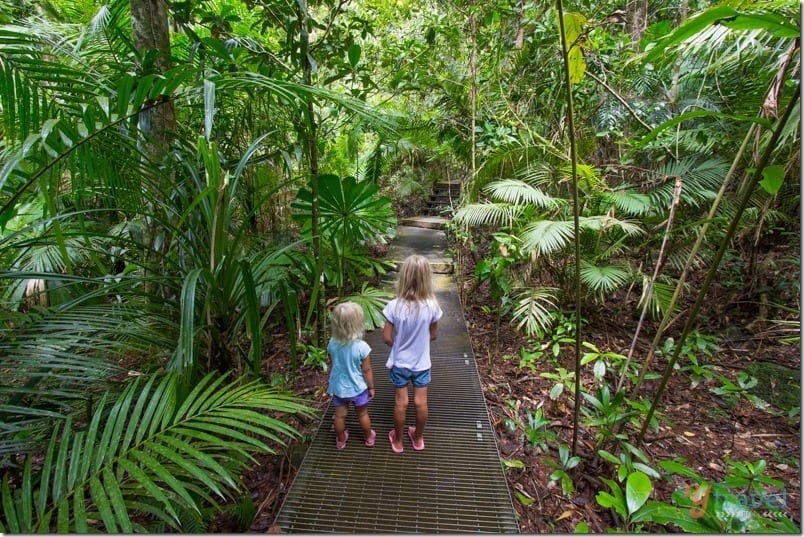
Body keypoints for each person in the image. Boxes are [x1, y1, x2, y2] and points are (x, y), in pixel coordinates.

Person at [382, 254, 443, 453]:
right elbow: (433, 335)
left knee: (402, 402)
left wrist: (399, 343)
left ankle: (398, 441)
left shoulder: (394, 306)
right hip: (422, 364)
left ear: (404, 277)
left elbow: (387, 337)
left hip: (400, 363)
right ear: (427, 278)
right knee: (420, 402)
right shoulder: (432, 306)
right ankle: (417, 439)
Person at [326, 302, 376, 449]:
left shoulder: (332, 344)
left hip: (339, 388)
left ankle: (341, 440)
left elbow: (333, 361)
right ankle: (368, 438)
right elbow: (367, 371)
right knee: (362, 415)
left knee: (340, 416)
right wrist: (371, 387)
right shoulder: (361, 347)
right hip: (358, 387)